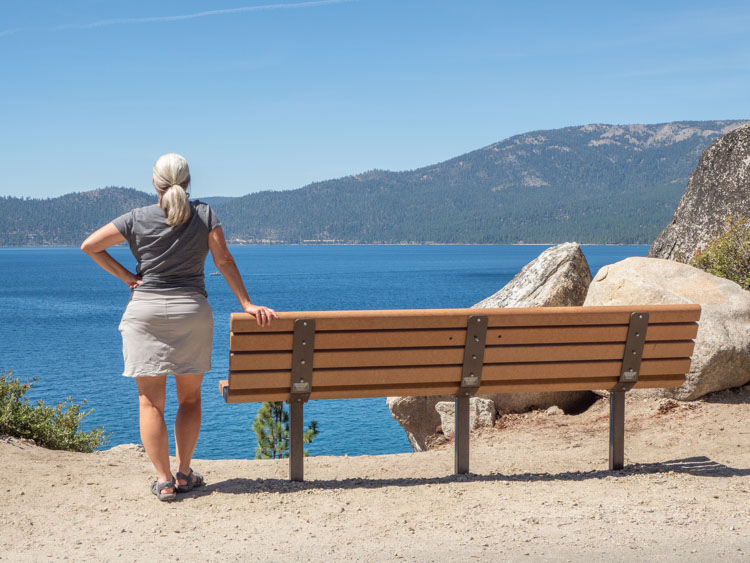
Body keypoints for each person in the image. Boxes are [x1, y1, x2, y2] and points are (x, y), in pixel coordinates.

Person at [81, 153, 277, 501]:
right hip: (192, 312)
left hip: (145, 313)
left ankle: (164, 480)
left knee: (150, 403)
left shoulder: (136, 218)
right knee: (189, 399)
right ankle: (185, 473)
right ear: (187, 182)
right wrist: (246, 303)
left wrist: (129, 277)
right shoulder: (204, 214)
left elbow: (90, 246)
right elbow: (224, 260)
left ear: (155, 183)